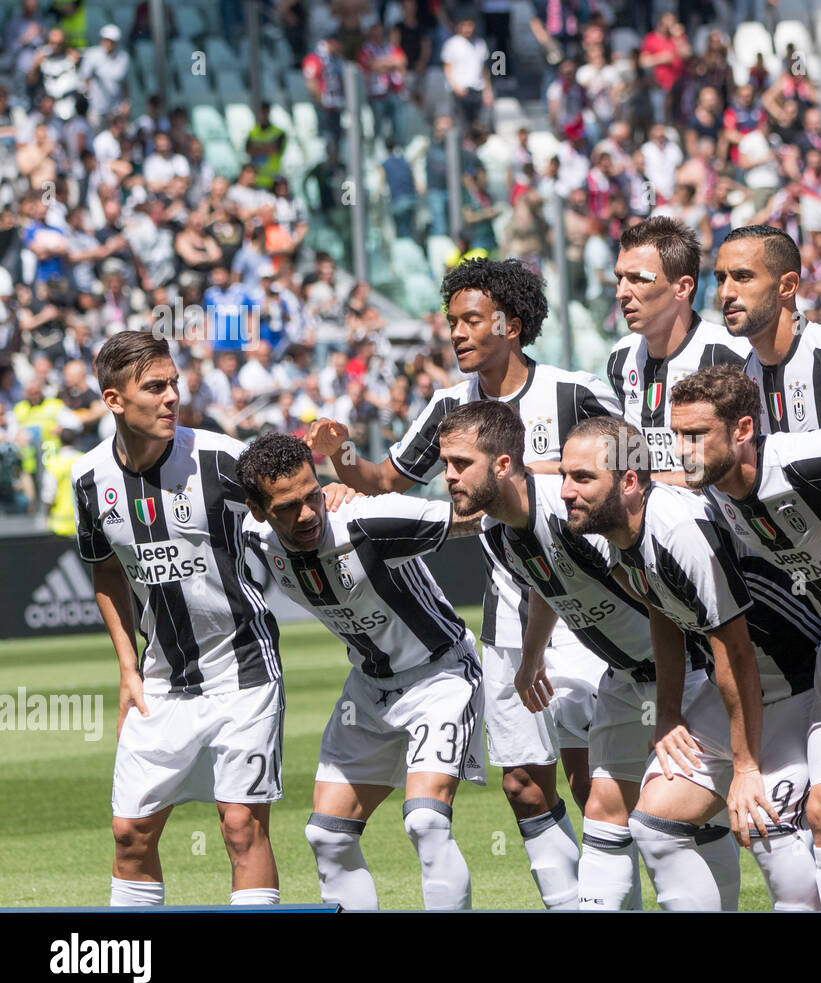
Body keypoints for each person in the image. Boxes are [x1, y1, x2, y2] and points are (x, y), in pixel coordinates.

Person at [305, 258, 617, 910]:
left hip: (591, 613)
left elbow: (638, 459)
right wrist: (340, 459)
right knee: (526, 785)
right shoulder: (451, 403)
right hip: (513, 619)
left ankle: (619, 898)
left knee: (597, 782)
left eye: (472, 319)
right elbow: (388, 480)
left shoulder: (574, 391)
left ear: (514, 322)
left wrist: (537, 469)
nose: (458, 331)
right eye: (452, 321)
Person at [668, 365, 821, 910]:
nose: (681, 450)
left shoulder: (808, 458)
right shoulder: (716, 493)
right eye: (676, 436)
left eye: (694, 436)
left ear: (741, 431)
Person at [440, 401, 708, 910]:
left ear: (502, 465)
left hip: (689, 673)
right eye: (445, 463)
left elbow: (659, 602)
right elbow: (545, 584)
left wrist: (668, 709)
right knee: (605, 811)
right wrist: (531, 658)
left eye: (460, 463)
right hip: (626, 680)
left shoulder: (571, 514)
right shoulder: (496, 531)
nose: (448, 476)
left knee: (683, 826)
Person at [559, 416, 821, 910]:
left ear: (630, 481)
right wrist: (668, 711)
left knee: (763, 825)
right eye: (564, 476)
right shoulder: (616, 538)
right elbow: (664, 615)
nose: (566, 492)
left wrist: (745, 767)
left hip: (801, 682)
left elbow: (737, 652)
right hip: (750, 689)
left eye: (582, 478)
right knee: (655, 825)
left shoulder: (679, 530)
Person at [70, 330, 284, 907]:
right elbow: (106, 571)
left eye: (174, 384)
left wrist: (332, 492)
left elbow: (295, 504)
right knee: (130, 833)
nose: (171, 397)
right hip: (162, 677)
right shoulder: (89, 479)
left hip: (243, 667)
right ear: (114, 400)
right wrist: (126, 667)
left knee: (241, 825)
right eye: (154, 387)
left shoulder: (222, 459)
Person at [237, 432, 483, 910]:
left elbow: (476, 516)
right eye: (289, 506)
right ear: (258, 509)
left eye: (313, 495)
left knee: (426, 822)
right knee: (327, 837)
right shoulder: (253, 537)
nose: (308, 514)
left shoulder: (368, 521)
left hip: (440, 677)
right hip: (369, 691)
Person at [605, 216, 749, 478]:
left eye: (638, 279)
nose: (621, 292)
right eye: (620, 278)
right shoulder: (621, 358)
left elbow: (749, 465)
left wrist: (656, 484)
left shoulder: (730, 355)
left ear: (681, 288)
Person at [710, 225, 821, 434]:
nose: (726, 292)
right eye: (721, 279)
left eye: (743, 276)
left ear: (787, 286)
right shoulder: (742, 377)